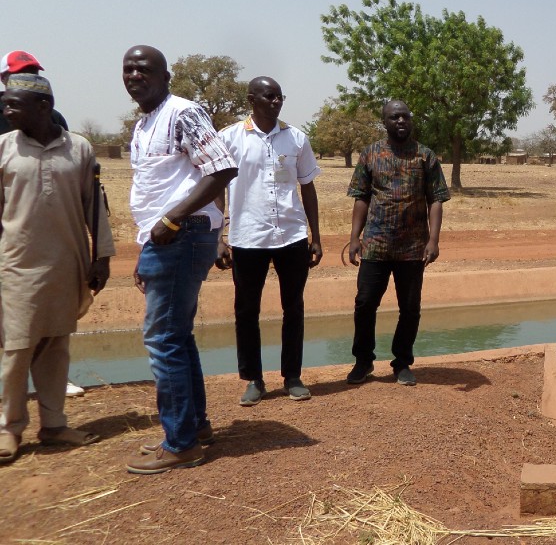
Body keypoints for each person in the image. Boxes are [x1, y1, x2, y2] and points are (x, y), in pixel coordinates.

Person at [122, 45, 238, 474]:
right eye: (128, 69)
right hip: (166, 239)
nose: (134, 75)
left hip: (181, 235)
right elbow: (160, 186)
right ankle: (193, 427)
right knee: (177, 334)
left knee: (163, 339)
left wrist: (170, 221)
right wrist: (147, 245)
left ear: (166, 76)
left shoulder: (182, 113)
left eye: (144, 69)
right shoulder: (144, 124)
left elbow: (222, 168)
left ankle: (181, 443)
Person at [0, 74, 114, 464]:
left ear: (44, 106)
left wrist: (102, 257)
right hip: (16, 265)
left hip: (67, 263)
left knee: (55, 345)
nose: (6, 110)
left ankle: (53, 425)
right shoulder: (3, 149)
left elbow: (94, 207)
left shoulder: (79, 149)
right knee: (15, 348)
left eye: (14, 104)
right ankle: (8, 429)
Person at [216, 77, 323, 406]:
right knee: (246, 310)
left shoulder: (296, 138)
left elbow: (307, 186)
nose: (276, 102)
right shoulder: (230, 138)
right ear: (252, 99)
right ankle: (254, 379)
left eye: (279, 96)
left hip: (291, 235)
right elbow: (216, 186)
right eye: (269, 96)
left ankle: (292, 377)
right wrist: (219, 235)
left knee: (293, 308)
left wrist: (315, 236)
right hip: (248, 236)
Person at [345, 100, 449, 387]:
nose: (401, 121)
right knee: (364, 304)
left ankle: (402, 362)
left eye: (405, 116)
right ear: (385, 122)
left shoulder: (425, 156)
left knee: (410, 308)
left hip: (413, 248)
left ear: (411, 120)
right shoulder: (370, 154)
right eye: (394, 117)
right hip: (375, 245)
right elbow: (361, 197)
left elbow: (436, 199)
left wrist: (434, 240)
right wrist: (355, 237)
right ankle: (363, 361)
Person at [0, 50, 82, 398]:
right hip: (12, 241)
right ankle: (9, 418)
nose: (29, 75)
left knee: (51, 320)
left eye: (34, 71)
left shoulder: (56, 119)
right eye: (21, 72)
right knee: (12, 330)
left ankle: (54, 393)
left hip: (51, 241)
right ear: (4, 78)